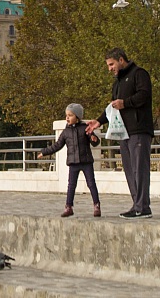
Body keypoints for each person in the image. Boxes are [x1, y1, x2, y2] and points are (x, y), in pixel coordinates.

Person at [86, 47, 153, 219]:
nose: (110, 68)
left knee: (140, 169)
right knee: (130, 171)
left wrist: (126, 103)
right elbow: (113, 109)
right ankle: (137, 206)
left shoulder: (139, 74)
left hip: (139, 130)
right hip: (123, 132)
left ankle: (142, 207)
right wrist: (98, 121)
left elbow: (144, 95)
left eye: (111, 64)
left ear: (121, 60)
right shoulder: (117, 83)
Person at [37, 103, 102, 217]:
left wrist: (94, 138)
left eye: (70, 115)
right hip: (73, 163)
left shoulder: (85, 128)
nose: (67, 117)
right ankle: (68, 207)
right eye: (66, 115)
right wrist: (45, 152)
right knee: (71, 185)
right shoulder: (65, 132)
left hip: (86, 161)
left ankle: (96, 205)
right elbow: (57, 145)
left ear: (77, 117)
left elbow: (95, 142)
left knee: (91, 184)